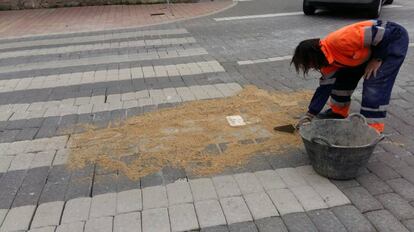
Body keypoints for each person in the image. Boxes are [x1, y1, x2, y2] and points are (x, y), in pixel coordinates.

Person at [291, 20, 409, 133]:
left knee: (374, 83)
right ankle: (338, 112)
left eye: (309, 64)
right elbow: (324, 89)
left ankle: (372, 128)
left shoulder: (342, 41)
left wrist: (377, 58)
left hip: (391, 38)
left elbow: (382, 34)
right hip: (365, 51)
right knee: (342, 80)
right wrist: (310, 114)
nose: (311, 67)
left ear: (313, 57)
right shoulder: (326, 63)